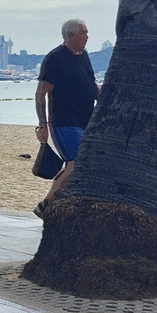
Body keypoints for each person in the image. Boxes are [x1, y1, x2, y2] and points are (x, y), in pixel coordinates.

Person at [35, 18, 98, 215]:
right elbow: (41, 93)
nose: (87, 37)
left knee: (74, 164)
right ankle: (46, 205)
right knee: (75, 162)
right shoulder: (55, 58)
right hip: (64, 122)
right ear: (71, 35)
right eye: (84, 32)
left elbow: (91, 86)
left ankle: (57, 204)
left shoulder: (84, 56)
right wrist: (43, 124)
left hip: (87, 120)